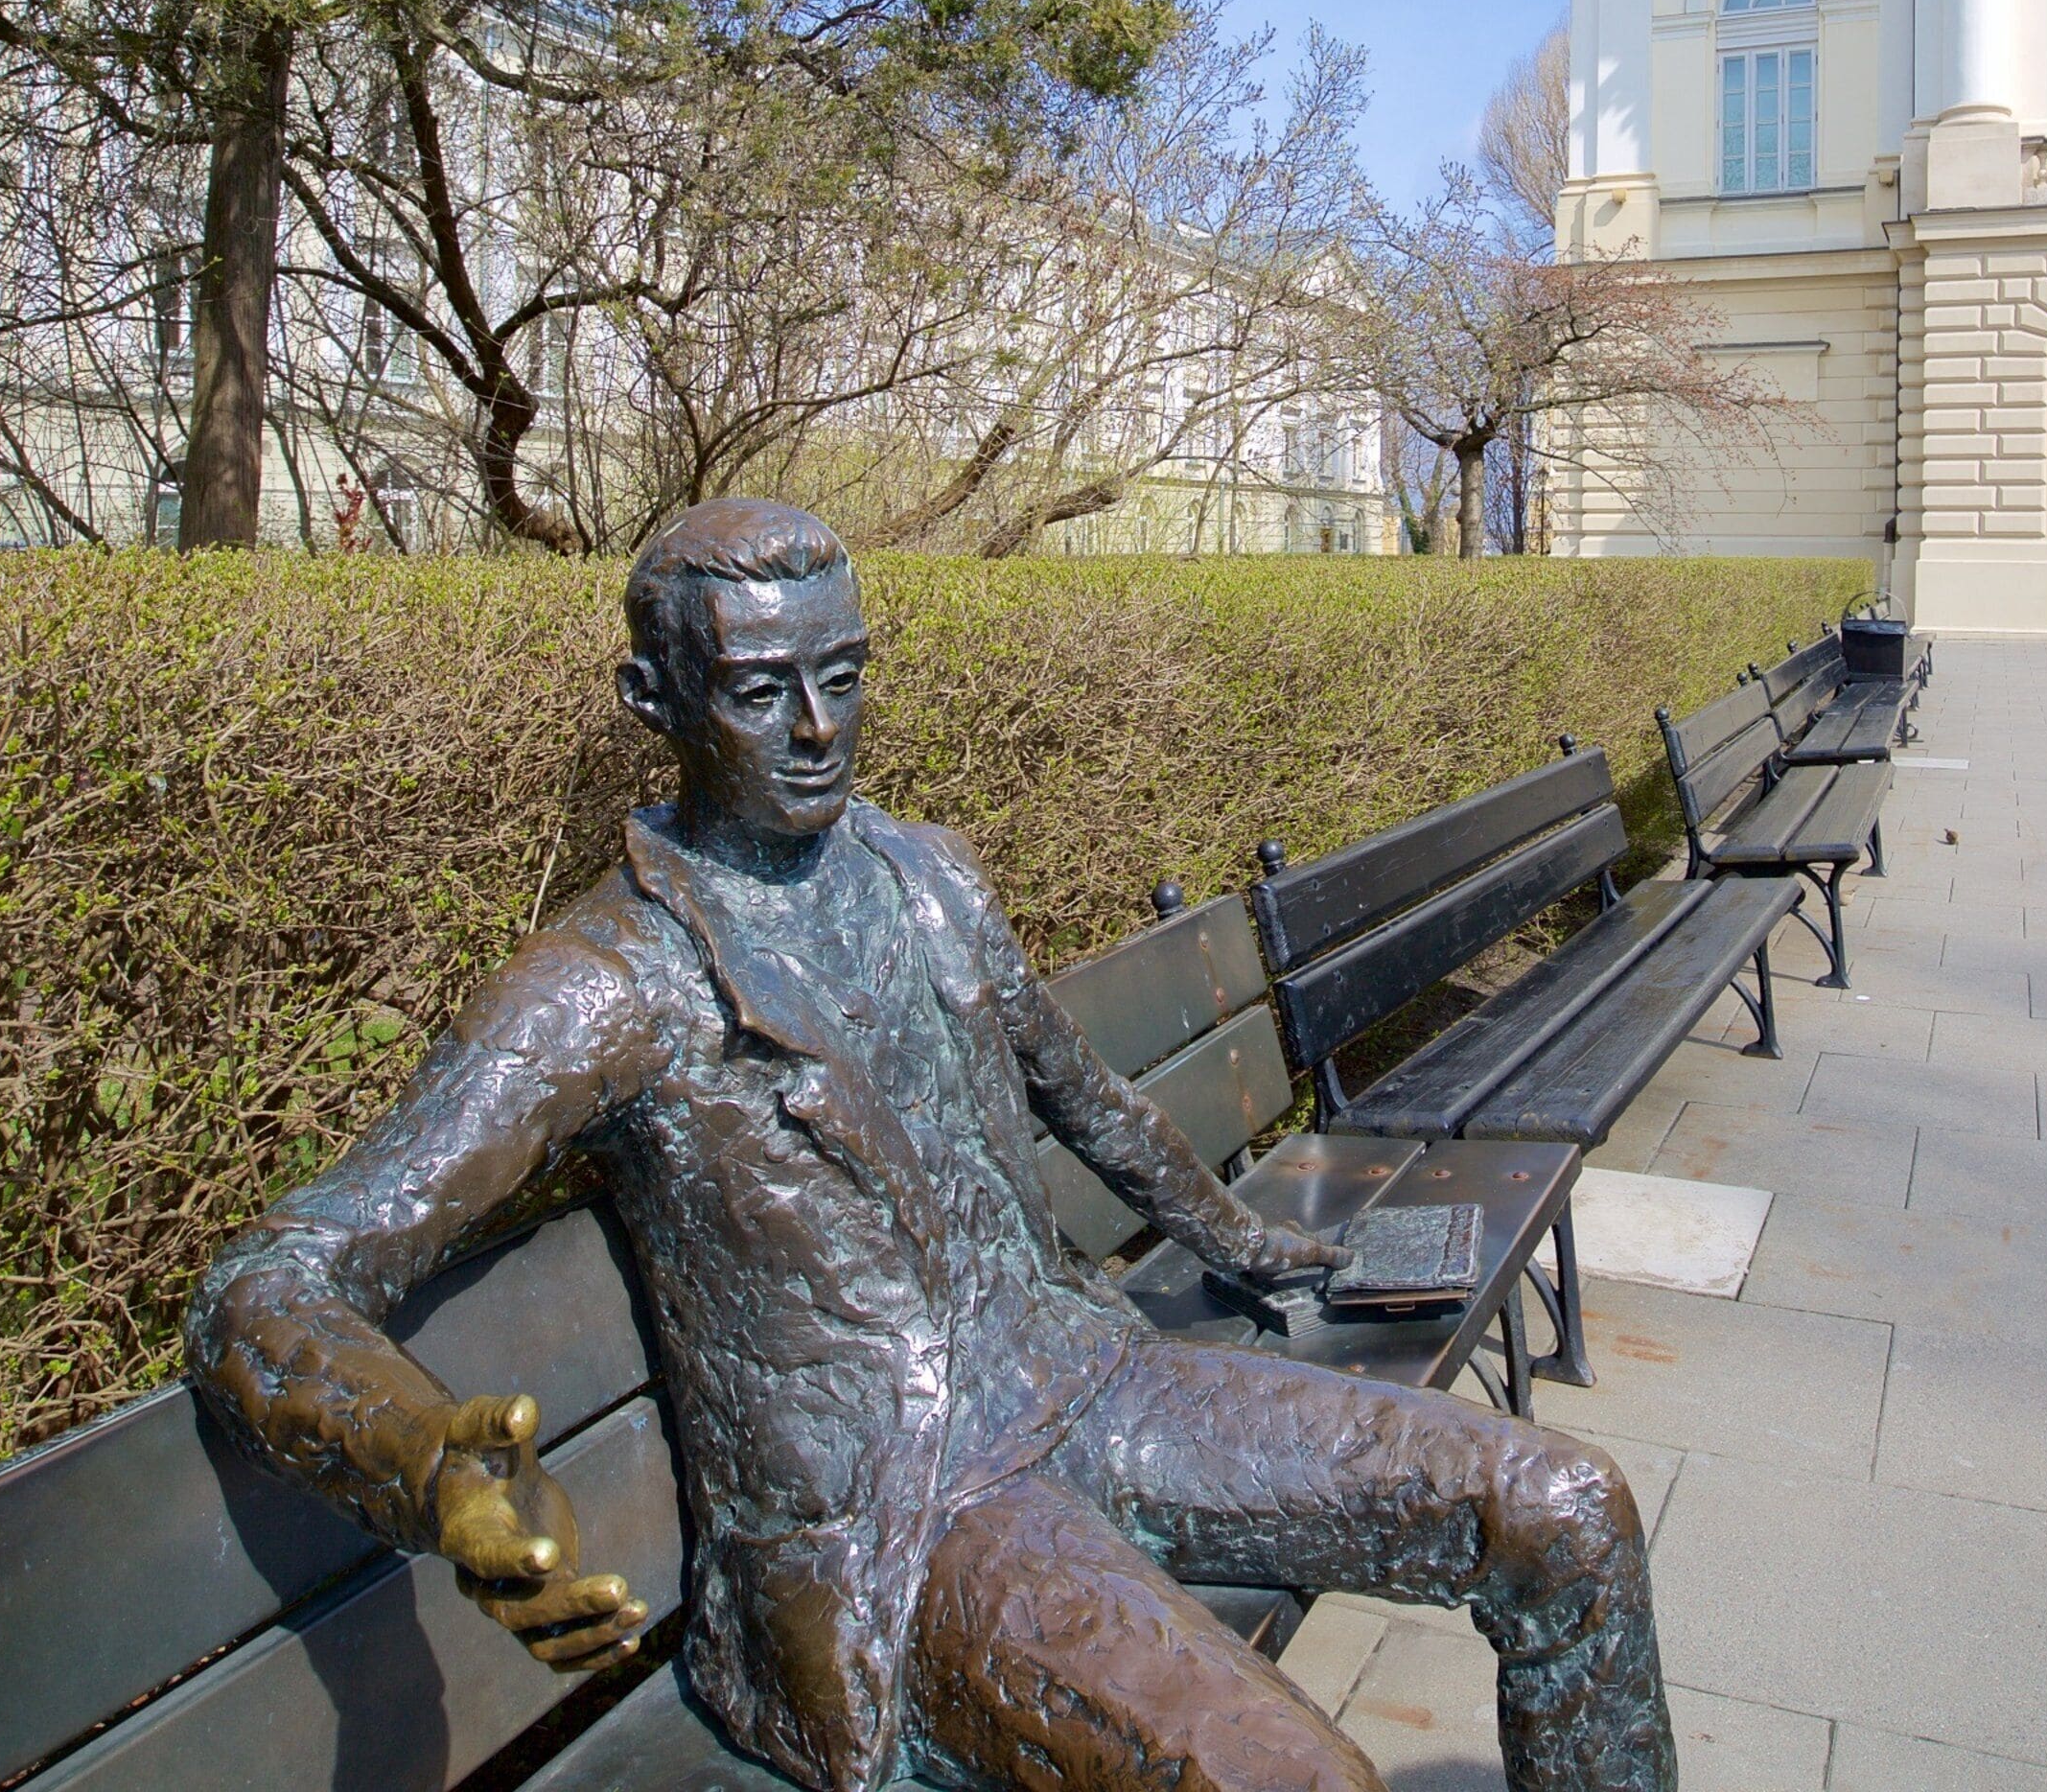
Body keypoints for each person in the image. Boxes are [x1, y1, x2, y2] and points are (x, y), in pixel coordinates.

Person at [186, 498, 1673, 1792]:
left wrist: (1249, 1239)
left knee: (1569, 1513)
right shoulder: (607, 986)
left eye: (843, 677)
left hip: (1089, 1380)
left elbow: (1079, 1092)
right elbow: (270, 1281)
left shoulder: (923, 873)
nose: (821, 731)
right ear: (657, 698)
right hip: (906, 1521)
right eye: (764, 694)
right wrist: (430, 1469)